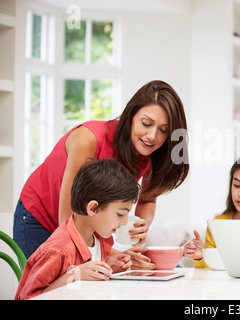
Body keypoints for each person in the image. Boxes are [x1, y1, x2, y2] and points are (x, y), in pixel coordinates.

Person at [13, 80, 189, 260]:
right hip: (39, 217)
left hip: (82, 226)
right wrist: (112, 255)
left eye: (164, 130)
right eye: (146, 123)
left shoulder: (151, 154)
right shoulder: (88, 139)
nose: (152, 136)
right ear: (130, 116)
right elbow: (67, 218)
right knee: (50, 286)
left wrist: (141, 225)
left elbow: (148, 199)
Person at [15, 158, 145, 300]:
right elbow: (29, 297)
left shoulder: (98, 238)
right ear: (93, 208)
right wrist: (75, 275)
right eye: (120, 214)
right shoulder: (58, 250)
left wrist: (109, 266)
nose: (125, 222)